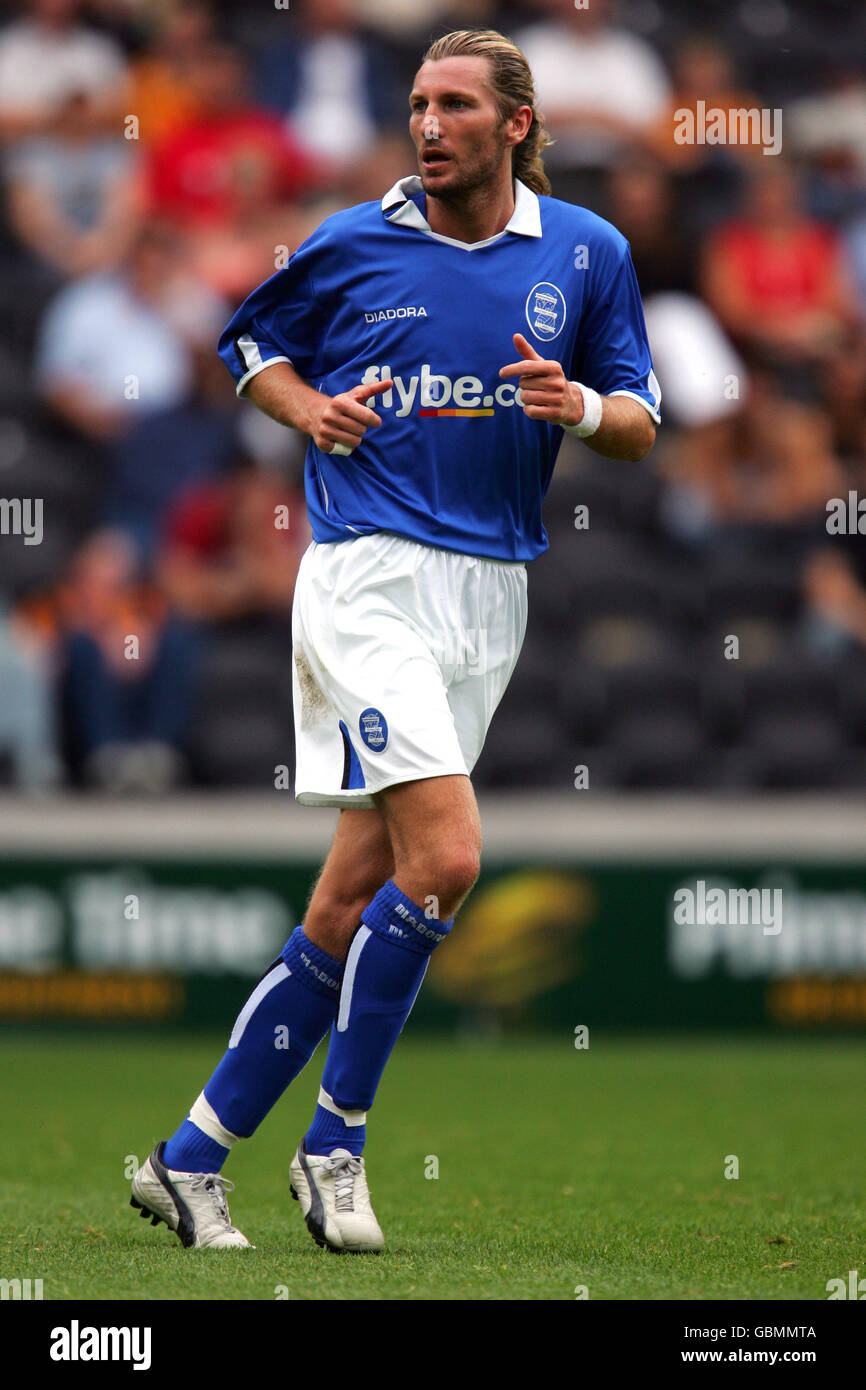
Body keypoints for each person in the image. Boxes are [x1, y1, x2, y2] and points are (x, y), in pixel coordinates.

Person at [129, 27, 660, 1253]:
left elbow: (636, 417)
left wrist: (577, 404)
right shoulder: (352, 237)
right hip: (367, 577)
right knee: (450, 859)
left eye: (455, 105)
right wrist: (308, 406)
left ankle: (189, 1157)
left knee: (351, 896)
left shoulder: (585, 253)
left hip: (491, 594)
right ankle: (336, 1146)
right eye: (417, 102)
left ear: (514, 124)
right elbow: (249, 343)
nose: (428, 124)